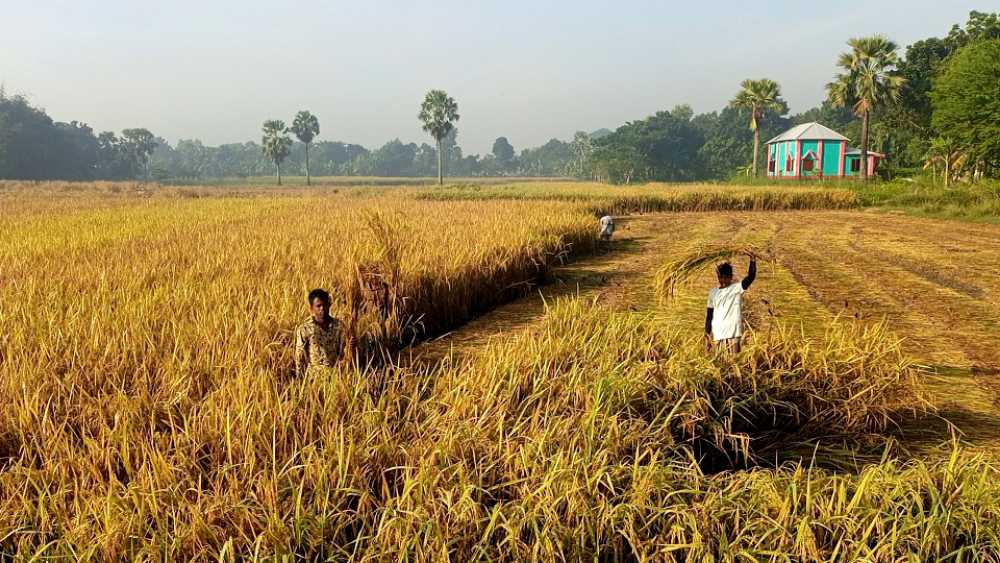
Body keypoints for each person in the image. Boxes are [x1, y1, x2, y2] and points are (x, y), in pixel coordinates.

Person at [705, 253, 757, 354]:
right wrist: (707, 335)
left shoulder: (736, 288)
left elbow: (751, 277)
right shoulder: (713, 292)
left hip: (733, 331)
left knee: (734, 361)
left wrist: (753, 260)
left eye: (726, 277)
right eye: (720, 277)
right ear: (718, 277)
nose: (723, 280)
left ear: (731, 277)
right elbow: (709, 316)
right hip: (718, 332)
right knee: (719, 363)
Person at [294, 288, 350, 375]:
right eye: (318, 306)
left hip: (336, 377)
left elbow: (344, 353)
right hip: (314, 379)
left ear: (329, 305)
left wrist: (352, 347)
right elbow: (300, 357)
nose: (322, 309)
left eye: (325, 305)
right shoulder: (305, 329)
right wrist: (300, 380)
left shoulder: (339, 326)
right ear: (312, 308)